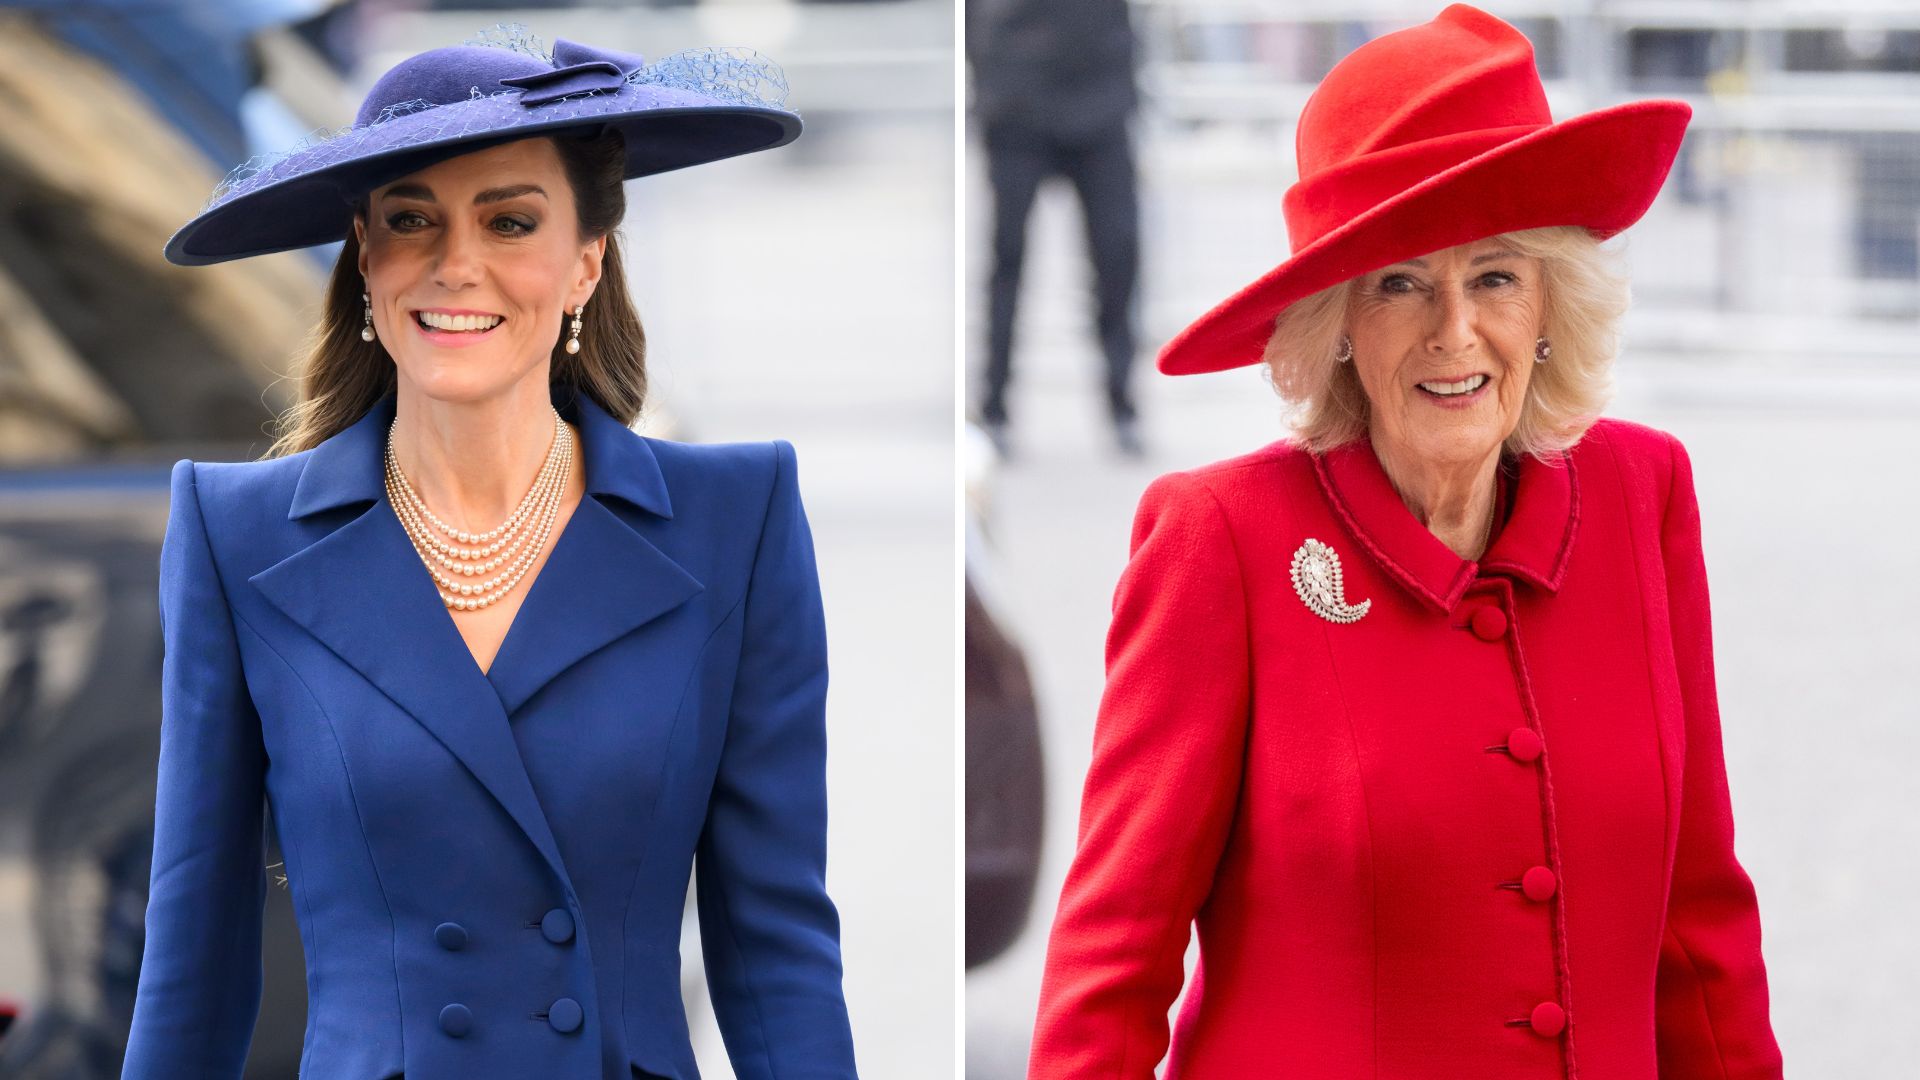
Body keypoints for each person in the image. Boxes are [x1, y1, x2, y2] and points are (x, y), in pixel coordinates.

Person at [1026, 6, 1783, 1078]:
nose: (1454, 332)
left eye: (1496, 277)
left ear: (1552, 302)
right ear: (1334, 320)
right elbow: (1114, 960)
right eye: (1400, 282)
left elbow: (1700, 921)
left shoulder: (1640, 493)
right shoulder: (1223, 541)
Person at [123, 28, 858, 1080]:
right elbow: (193, 959)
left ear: (584, 266)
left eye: (510, 220)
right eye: (410, 220)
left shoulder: (734, 518)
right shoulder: (232, 533)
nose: (455, 264)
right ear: (366, 259)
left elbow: (778, 946)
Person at [967, 0, 1143, 458]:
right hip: (1015, 105)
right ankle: (994, 410)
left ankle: (1123, 406)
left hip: (1101, 98)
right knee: (1007, 265)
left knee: (1117, 259)